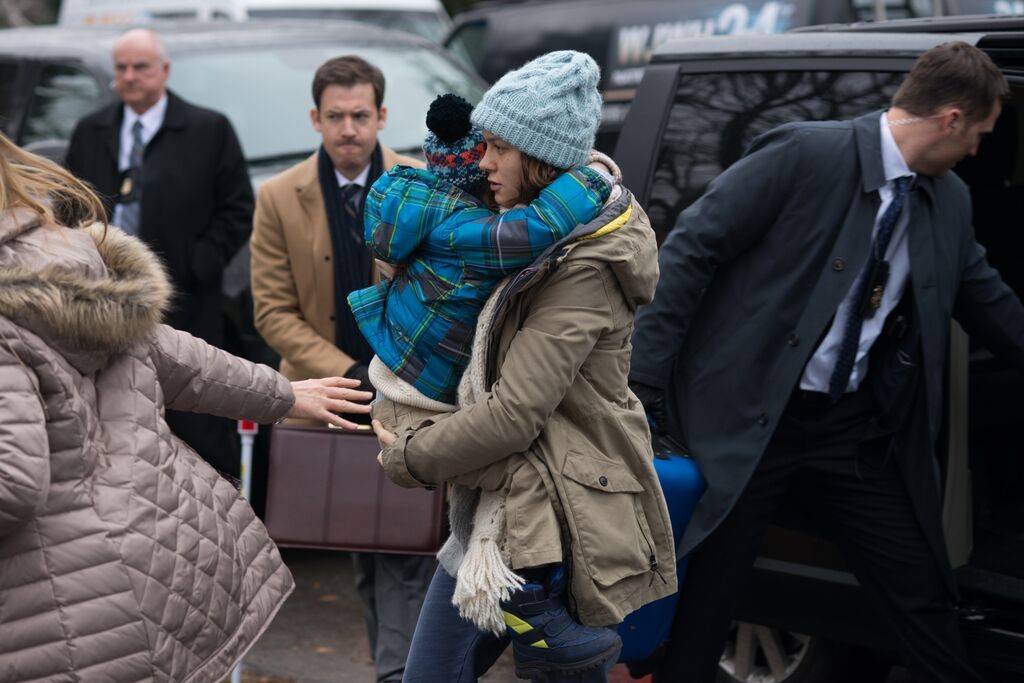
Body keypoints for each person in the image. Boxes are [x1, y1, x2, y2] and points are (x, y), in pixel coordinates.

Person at [628, 42, 1022, 683]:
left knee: (917, 584)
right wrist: (646, 385)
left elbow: (990, 302)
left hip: (851, 432)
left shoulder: (948, 202)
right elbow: (688, 252)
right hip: (750, 422)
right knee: (712, 601)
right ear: (951, 119)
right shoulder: (805, 152)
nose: (979, 150)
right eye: (979, 133)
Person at [0, 133, 372, 682]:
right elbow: (174, 355)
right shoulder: (60, 259)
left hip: (71, 613)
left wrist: (288, 396)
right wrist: (286, 394)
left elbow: (14, 479)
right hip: (171, 561)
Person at [372, 50, 677, 683]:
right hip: (500, 513)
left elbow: (515, 414)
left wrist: (409, 455)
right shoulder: (529, 233)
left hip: (558, 519)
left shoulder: (586, 262)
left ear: (539, 157)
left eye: (498, 149)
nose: (483, 163)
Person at [350, 91, 616, 675]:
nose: (491, 164)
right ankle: (534, 614)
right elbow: (535, 228)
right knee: (523, 476)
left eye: (501, 148)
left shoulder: (413, 202)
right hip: (422, 411)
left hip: (419, 399)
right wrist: (595, 176)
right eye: (485, 150)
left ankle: (534, 615)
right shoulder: (471, 233)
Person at [249, 54, 432, 683]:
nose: (349, 128)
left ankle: (398, 671)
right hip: (333, 394)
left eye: (360, 115)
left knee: (407, 544)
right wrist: (350, 372)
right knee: (365, 540)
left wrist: (401, 370)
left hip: (411, 390)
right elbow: (273, 313)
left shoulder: (422, 185)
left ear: (382, 116)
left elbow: (447, 293)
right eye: (336, 116)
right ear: (315, 119)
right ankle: (398, 668)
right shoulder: (278, 196)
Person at [65, 27, 253, 479]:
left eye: (141, 67)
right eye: (122, 69)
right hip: (105, 311)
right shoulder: (93, 131)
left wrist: (196, 266)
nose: (130, 77)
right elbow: (67, 207)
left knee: (193, 424)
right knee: (118, 422)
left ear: (164, 71)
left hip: (186, 307)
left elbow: (238, 208)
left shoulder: (208, 130)